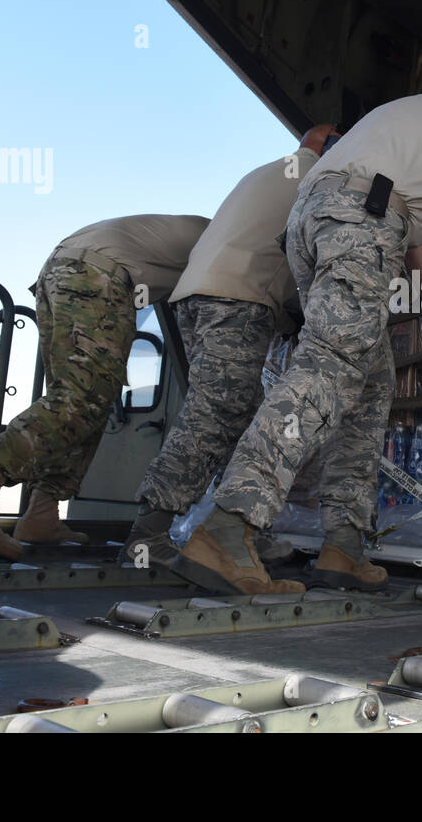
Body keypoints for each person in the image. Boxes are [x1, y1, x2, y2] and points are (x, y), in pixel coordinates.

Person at [169, 56, 422, 595]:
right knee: (327, 370)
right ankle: (227, 528)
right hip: (361, 221)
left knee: (370, 386)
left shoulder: (394, 117)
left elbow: (398, 213)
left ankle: (342, 545)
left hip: (313, 223)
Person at [122, 126, 338, 594]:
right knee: (216, 414)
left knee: (233, 412)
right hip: (237, 296)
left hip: (197, 295)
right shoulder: (320, 176)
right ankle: (149, 536)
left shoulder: (266, 173)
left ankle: (231, 532)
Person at [0, 214, 208, 559]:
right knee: (82, 397)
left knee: (89, 402)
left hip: (68, 269)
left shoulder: (207, 232)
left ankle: (41, 514)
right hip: (97, 274)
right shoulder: (229, 239)